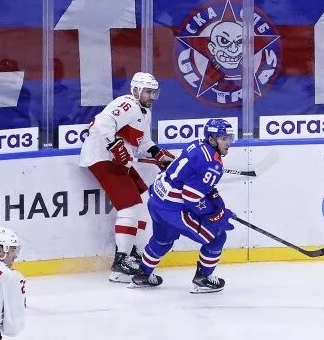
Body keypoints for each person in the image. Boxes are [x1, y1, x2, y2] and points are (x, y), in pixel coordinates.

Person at [79, 73, 174, 281]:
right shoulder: (126, 103)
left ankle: (129, 254)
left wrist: (159, 155)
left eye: (153, 92)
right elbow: (99, 124)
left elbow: (143, 144)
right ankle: (121, 259)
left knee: (141, 203)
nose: (152, 96)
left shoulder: (145, 112)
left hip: (120, 163)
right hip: (102, 158)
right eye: (148, 91)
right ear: (136, 90)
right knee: (129, 207)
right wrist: (114, 145)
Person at [132, 118, 237, 293]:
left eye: (229, 138)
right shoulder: (212, 165)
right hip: (173, 209)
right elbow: (191, 197)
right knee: (217, 236)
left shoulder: (196, 144)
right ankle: (203, 279)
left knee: (163, 240)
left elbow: (192, 180)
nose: (229, 143)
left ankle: (143, 274)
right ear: (212, 139)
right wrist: (216, 215)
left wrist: (217, 203)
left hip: (157, 200)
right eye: (223, 138)